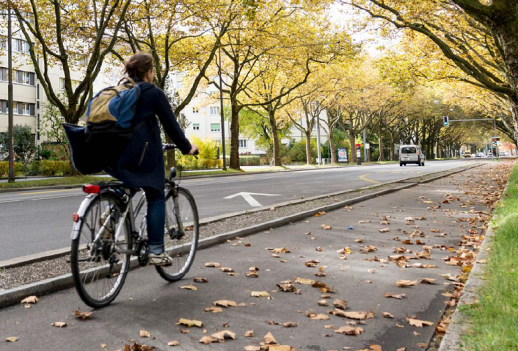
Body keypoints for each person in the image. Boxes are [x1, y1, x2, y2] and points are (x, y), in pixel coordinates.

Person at [108, 52, 198, 266]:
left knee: (126, 188)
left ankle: (108, 223)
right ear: (148, 72)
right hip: (142, 158)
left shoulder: (120, 91)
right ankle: (156, 250)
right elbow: (171, 126)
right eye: (153, 71)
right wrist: (187, 148)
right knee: (156, 194)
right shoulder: (152, 93)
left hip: (115, 155)